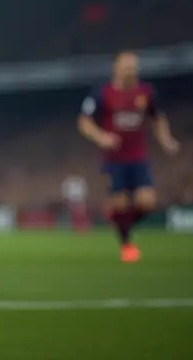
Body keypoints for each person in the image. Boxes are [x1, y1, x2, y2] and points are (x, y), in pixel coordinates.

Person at [77, 50, 179, 261]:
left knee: (147, 202)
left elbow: (158, 118)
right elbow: (84, 121)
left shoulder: (146, 92)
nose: (131, 71)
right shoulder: (102, 93)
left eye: (134, 67)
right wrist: (102, 137)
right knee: (121, 203)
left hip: (138, 156)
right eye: (127, 67)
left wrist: (167, 140)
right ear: (116, 68)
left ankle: (116, 218)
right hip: (113, 158)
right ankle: (127, 245)